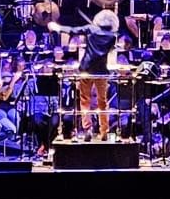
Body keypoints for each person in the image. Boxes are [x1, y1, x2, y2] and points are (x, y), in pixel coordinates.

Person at [49, 9, 122, 139]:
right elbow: (110, 50)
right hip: (101, 71)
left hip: (86, 69)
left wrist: (58, 28)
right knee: (103, 102)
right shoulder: (112, 36)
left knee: (85, 101)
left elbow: (73, 30)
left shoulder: (91, 29)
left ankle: (87, 128)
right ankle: (104, 131)